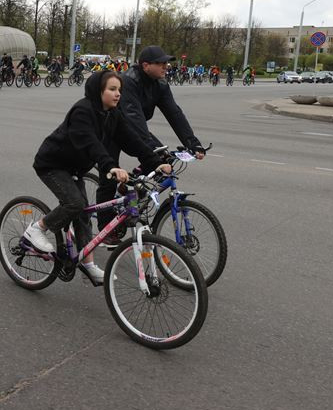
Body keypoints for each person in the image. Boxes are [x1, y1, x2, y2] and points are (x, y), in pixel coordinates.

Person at [24, 71, 171, 284]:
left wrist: (155, 162)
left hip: (76, 168)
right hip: (53, 165)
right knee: (74, 204)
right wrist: (111, 166)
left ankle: (88, 263)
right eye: (112, 89)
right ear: (98, 91)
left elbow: (132, 140)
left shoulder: (112, 113)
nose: (118, 94)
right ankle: (38, 228)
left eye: (119, 90)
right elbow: (90, 143)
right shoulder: (82, 111)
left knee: (83, 215)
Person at [94, 46, 206, 240]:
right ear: (145, 65)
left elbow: (174, 113)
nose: (166, 66)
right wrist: (152, 150)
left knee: (162, 160)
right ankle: (106, 230)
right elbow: (133, 118)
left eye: (166, 63)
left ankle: (132, 191)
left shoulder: (160, 84)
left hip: (130, 128)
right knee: (109, 177)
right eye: (161, 63)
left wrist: (192, 143)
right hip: (109, 128)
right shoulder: (128, 82)